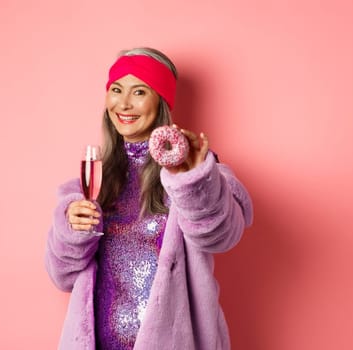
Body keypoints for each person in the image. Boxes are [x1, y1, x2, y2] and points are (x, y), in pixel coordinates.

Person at [44, 47, 254, 349]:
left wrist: (192, 180)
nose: (124, 103)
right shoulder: (95, 179)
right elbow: (61, 275)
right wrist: (72, 231)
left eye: (139, 91)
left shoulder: (192, 169)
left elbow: (221, 236)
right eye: (116, 90)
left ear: (162, 101)